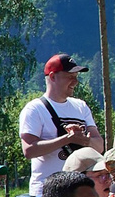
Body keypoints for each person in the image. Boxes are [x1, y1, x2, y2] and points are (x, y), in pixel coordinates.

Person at [19, 55, 101, 185]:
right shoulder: (35, 109)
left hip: (80, 190)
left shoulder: (81, 106)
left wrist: (85, 140)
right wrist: (68, 139)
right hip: (46, 189)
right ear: (52, 77)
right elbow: (29, 150)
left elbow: (99, 146)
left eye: (76, 77)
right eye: (70, 77)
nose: (75, 82)